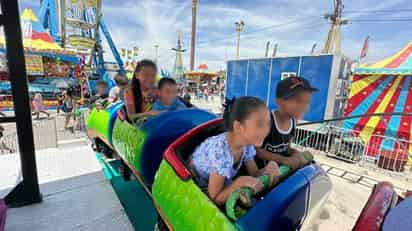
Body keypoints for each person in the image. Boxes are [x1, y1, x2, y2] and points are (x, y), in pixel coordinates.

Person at [190, 96, 280, 206]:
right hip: (195, 180)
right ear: (238, 127)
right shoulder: (221, 152)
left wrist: (270, 167)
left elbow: (254, 174)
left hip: (218, 180)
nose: (266, 130)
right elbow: (214, 199)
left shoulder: (246, 144)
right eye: (260, 124)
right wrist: (238, 183)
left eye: (268, 124)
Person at [256, 77, 317, 171]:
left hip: (279, 174)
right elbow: (256, 151)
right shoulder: (268, 120)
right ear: (279, 101)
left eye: (307, 102)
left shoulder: (293, 122)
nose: (305, 108)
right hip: (263, 177)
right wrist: (284, 160)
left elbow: (286, 148)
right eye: (298, 101)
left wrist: (295, 153)